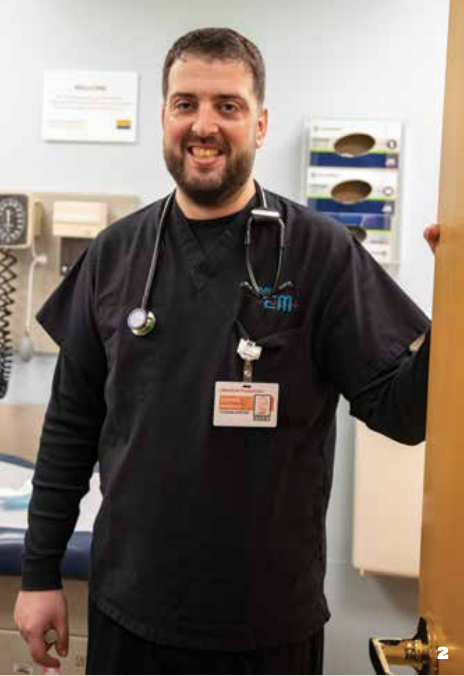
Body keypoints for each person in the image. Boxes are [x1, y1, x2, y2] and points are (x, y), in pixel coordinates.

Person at [14, 27, 439, 675]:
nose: (203, 125)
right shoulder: (114, 254)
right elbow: (71, 426)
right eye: (185, 104)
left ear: (260, 124)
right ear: (164, 117)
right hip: (129, 609)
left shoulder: (321, 253)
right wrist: (39, 572)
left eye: (228, 106)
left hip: (267, 624)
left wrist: (456, 315)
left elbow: (403, 415)